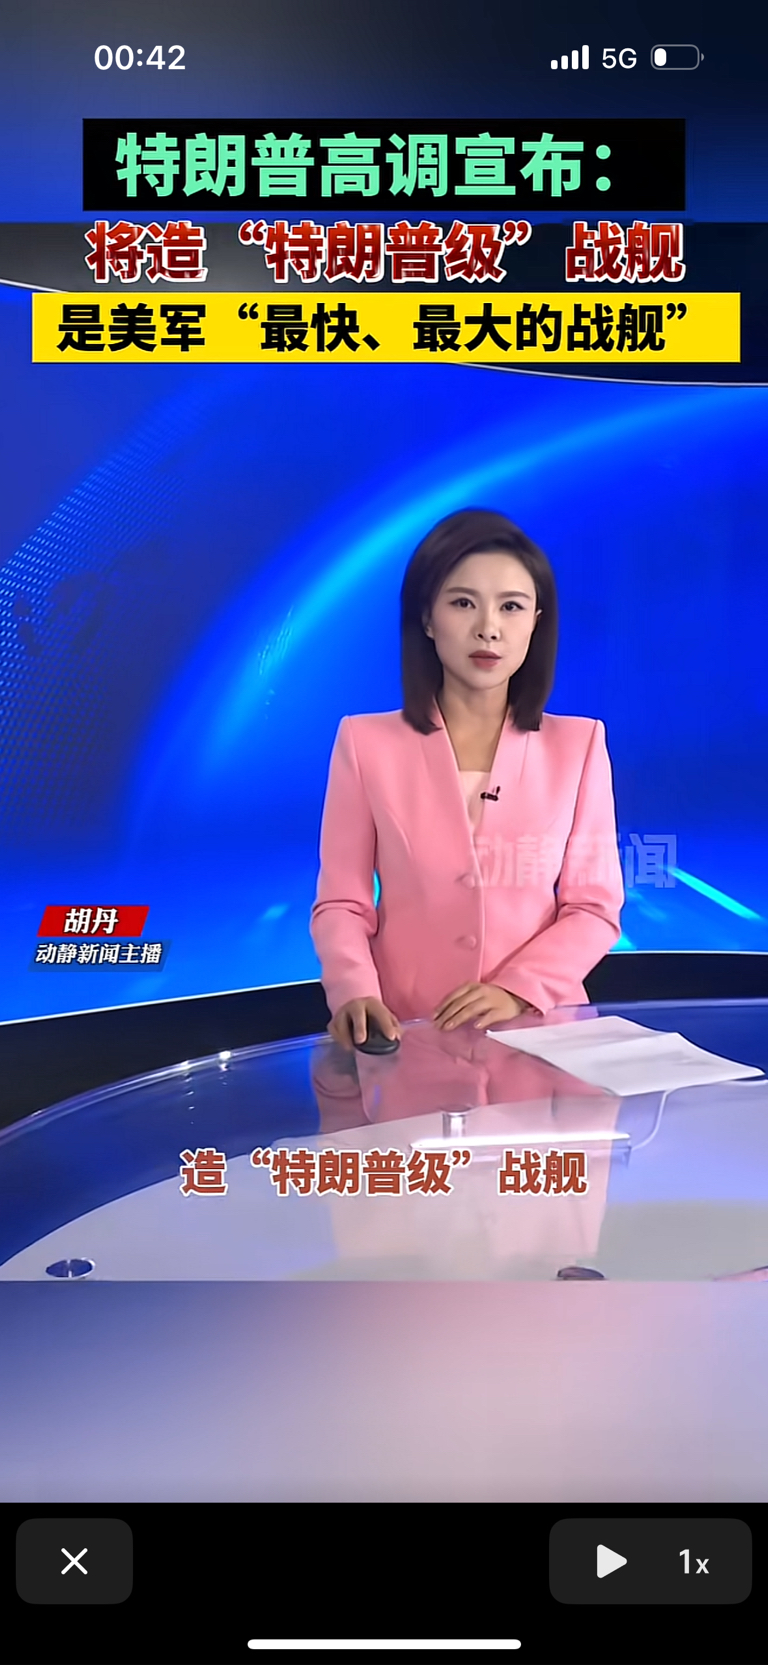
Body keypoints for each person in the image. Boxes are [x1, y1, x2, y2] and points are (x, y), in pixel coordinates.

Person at [310, 508, 624, 1051]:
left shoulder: (579, 746)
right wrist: (353, 991)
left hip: (544, 1039)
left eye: (511, 607)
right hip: (407, 1033)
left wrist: (518, 988)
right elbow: (342, 903)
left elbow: (593, 907)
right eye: (463, 603)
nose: (488, 627)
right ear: (427, 618)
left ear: (535, 622)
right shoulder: (365, 743)